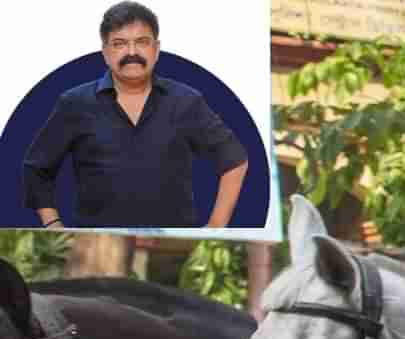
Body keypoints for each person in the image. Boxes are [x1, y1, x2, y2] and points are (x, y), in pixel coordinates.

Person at [22, 1, 248, 228]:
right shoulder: (75, 103)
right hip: (99, 240)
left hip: (173, 241)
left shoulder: (186, 101)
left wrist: (215, 228)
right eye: (119, 43)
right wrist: (52, 224)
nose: (132, 52)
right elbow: (37, 168)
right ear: (105, 51)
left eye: (142, 42)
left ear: (156, 49)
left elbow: (234, 160)